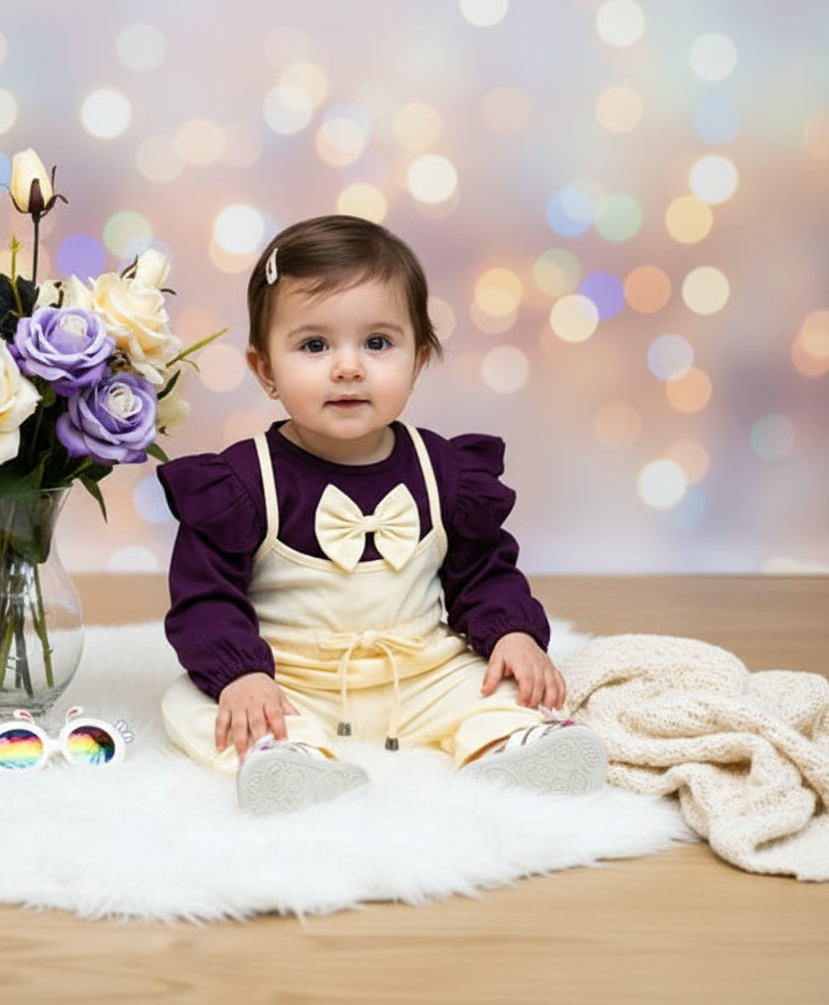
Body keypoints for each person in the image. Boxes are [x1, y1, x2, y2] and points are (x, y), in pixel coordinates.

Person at [157, 214, 607, 815]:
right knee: (189, 702)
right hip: (293, 680)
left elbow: (485, 572)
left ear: (418, 359)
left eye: (377, 343)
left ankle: (509, 743)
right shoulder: (242, 482)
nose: (349, 367)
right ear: (265, 369)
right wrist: (243, 674)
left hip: (420, 671)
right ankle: (292, 758)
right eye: (314, 345)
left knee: (503, 684)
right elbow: (205, 600)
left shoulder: (443, 469)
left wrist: (514, 633)